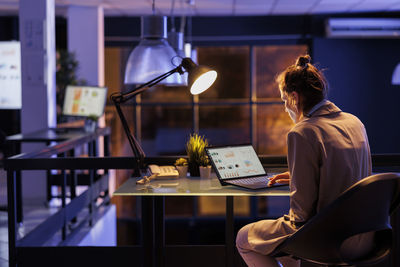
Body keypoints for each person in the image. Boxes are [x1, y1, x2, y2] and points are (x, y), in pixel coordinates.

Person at [236, 55, 374, 267]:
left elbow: (301, 213)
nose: (285, 107)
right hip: (364, 234)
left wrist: (300, 186)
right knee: (281, 243)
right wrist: (297, 176)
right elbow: (346, 172)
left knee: (244, 238)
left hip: (327, 236)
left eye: (284, 101)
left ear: (294, 97)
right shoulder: (355, 122)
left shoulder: (302, 132)